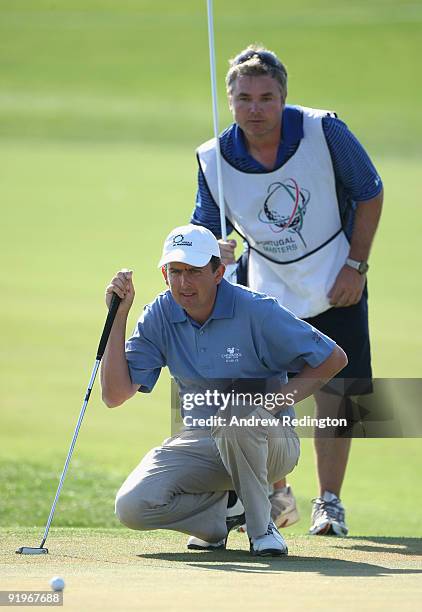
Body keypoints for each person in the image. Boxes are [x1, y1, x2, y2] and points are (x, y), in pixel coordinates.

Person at [191, 45, 384, 535]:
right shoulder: (214, 158)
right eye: (244, 98)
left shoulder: (323, 130)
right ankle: (277, 493)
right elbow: (205, 224)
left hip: (334, 279)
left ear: (283, 98)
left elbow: (370, 190)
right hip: (266, 288)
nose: (255, 108)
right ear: (230, 100)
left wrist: (356, 266)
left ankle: (330, 503)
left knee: (337, 396)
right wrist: (215, 250)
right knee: (260, 393)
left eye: (266, 97)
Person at [100, 224, 347, 556]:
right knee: (133, 506)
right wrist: (118, 316)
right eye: (176, 271)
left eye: (194, 271)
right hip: (202, 443)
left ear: (218, 272)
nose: (184, 282)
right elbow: (115, 395)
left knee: (236, 417)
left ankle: (263, 529)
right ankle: (221, 518)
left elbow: (333, 357)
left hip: (271, 443)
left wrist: (271, 405)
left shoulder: (256, 310)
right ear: (164, 274)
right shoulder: (160, 313)